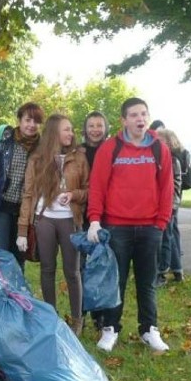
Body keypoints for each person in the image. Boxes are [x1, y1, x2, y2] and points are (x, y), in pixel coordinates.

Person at [87, 97, 174, 353]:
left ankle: (149, 329)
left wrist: (160, 223)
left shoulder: (160, 149)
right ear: (124, 120)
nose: (140, 119)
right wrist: (94, 220)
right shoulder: (110, 148)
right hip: (117, 227)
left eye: (144, 114)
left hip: (150, 228)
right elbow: (97, 186)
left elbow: (167, 189)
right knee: (117, 282)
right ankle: (110, 329)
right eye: (134, 115)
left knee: (147, 282)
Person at [16, 114, 89, 334]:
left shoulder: (79, 158)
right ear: (54, 132)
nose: (71, 133)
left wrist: (74, 194)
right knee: (47, 269)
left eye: (72, 130)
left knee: (72, 271)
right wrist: (22, 230)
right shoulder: (37, 159)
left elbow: (89, 190)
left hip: (69, 220)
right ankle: (50, 317)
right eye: (66, 129)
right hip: (44, 220)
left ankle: (77, 321)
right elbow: (28, 194)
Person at [0, 102, 44, 267]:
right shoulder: (6, 143)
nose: (31, 125)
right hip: (3, 206)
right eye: (28, 120)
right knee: (0, 254)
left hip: (26, 211)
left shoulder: (41, 148)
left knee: (19, 255)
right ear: (19, 120)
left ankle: (16, 291)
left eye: (36, 121)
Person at [80, 111, 109, 330]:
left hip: (105, 213)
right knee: (80, 266)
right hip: (81, 211)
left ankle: (100, 315)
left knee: (100, 265)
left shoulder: (111, 150)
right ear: (85, 129)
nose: (95, 129)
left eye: (99, 125)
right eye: (91, 126)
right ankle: (79, 309)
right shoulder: (78, 151)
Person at [155, 128, 185, 286]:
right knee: (168, 237)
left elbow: (174, 188)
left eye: (160, 140)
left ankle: (161, 273)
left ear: (169, 142)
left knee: (165, 239)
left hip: (169, 206)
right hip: (165, 205)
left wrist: (170, 207)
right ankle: (176, 269)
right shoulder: (161, 158)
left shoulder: (172, 161)